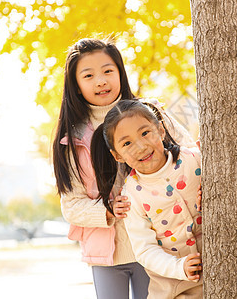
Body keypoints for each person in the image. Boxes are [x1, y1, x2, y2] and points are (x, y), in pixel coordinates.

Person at [52, 38, 194, 299]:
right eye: (89, 75)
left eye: (108, 71)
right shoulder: (71, 140)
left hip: (158, 244)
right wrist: (107, 210)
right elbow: (71, 206)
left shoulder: (151, 113)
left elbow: (188, 153)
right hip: (107, 254)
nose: (101, 81)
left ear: (120, 72)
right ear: (76, 85)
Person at [91, 100, 203, 299]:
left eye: (145, 133)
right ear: (117, 155)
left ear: (160, 130)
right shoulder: (131, 196)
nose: (141, 146)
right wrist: (178, 267)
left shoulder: (195, 159)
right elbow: (145, 250)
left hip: (219, 269)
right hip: (172, 287)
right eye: (127, 143)